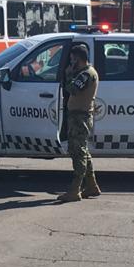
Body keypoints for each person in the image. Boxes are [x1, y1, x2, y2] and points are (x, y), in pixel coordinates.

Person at [57, 43, 101, 203]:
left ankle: (75, 189)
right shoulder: (84, 72)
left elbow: (73, 89)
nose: (70, 61)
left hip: (80, 118)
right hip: (78, 116)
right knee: (82, 151)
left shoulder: (86, 74)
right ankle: (91, 185)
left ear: (77, 58)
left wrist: (68, 74)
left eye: (72, 58)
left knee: (78, 153)